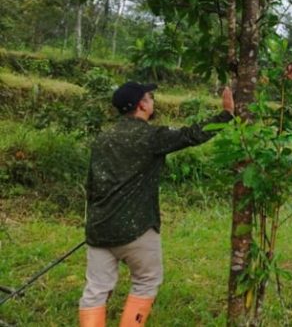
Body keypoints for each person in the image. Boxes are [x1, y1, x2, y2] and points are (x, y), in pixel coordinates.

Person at [78, 82, 234, 327]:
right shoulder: (151, 137)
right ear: (142, 105)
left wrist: (100, 220)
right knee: (146, 281)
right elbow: (191, 135)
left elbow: (92, 185)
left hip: (99, 228)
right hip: (137, 228)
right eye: (150, 97)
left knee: (96, 288)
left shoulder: (102, 139)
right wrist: (226, 115)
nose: (153, 101)